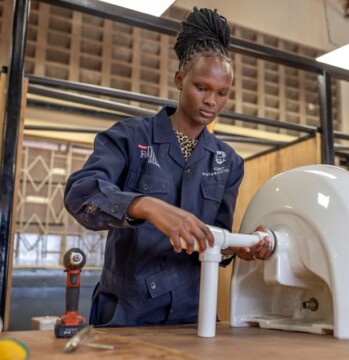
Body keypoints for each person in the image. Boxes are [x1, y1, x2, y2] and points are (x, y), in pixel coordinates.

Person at [64, 7, 273, 327]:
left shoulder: (227, 162)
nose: (211, 102)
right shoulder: (130, 138)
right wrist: (142, 205)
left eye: (222, 93)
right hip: (127, 314)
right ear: (179, 79)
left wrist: (239, 247)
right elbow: (81, 194)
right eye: (201, 87)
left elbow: (217, 236)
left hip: (194, 314)